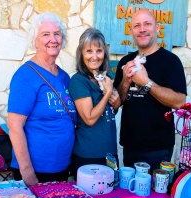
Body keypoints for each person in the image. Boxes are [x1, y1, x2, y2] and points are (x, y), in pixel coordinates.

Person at [113, 9, 187, 174]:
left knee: (155, 197)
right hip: (130, 144)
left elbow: (180, 102)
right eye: (137, 25)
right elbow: (116, 103)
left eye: (147, 24)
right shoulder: (125, 62)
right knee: (130, 195)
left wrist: (146, 82)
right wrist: (125, 81)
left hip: (158, 148)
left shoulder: (170, 61)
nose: (142, 29)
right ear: (131, 31)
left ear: (157, 28)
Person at [7, 12, 77, 186]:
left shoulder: (64, 77)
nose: (52, 39)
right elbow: (15, 126)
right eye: (45, 34)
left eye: (57, 34)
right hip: (35, 172)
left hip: (61, 168)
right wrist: (28, 174)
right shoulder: (25, 76)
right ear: (35, 41)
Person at [69, 28, 121, 179]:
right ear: (82, 54)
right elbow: (90, 119)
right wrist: (107, 94)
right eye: (89, 51)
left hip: (110, 154)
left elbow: (108, 113)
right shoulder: (78, 81)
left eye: (99, 51)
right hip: (89, 155)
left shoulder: (106, 78)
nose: (94, 56)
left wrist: (116, 104)